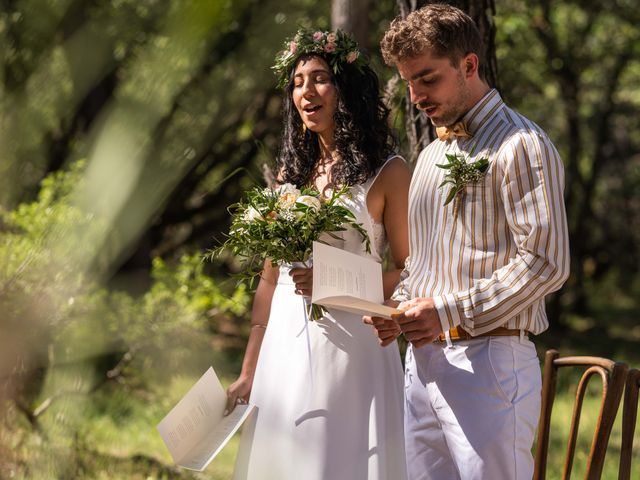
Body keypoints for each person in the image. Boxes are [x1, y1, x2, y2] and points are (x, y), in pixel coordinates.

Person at [365, 4, 570, 480]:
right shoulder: (432, 154)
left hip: (490, 365)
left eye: (428, 79)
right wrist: (398, 310)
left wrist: (447, 312)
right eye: (409, 82)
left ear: (469, 65)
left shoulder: (522, 145)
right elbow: (422, 264)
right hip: (423, 365)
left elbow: (546, 263)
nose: (415, 95)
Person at [226, 28, 411, 480]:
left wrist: (337, 279)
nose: (306, 91)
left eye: (320, 78)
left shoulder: (389, 171)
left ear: (345, 88)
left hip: (352, 350)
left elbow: (412, 270)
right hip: (283, 352)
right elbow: (271, 282)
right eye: (297, 82)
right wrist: (249, 370)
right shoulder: (293, 177)